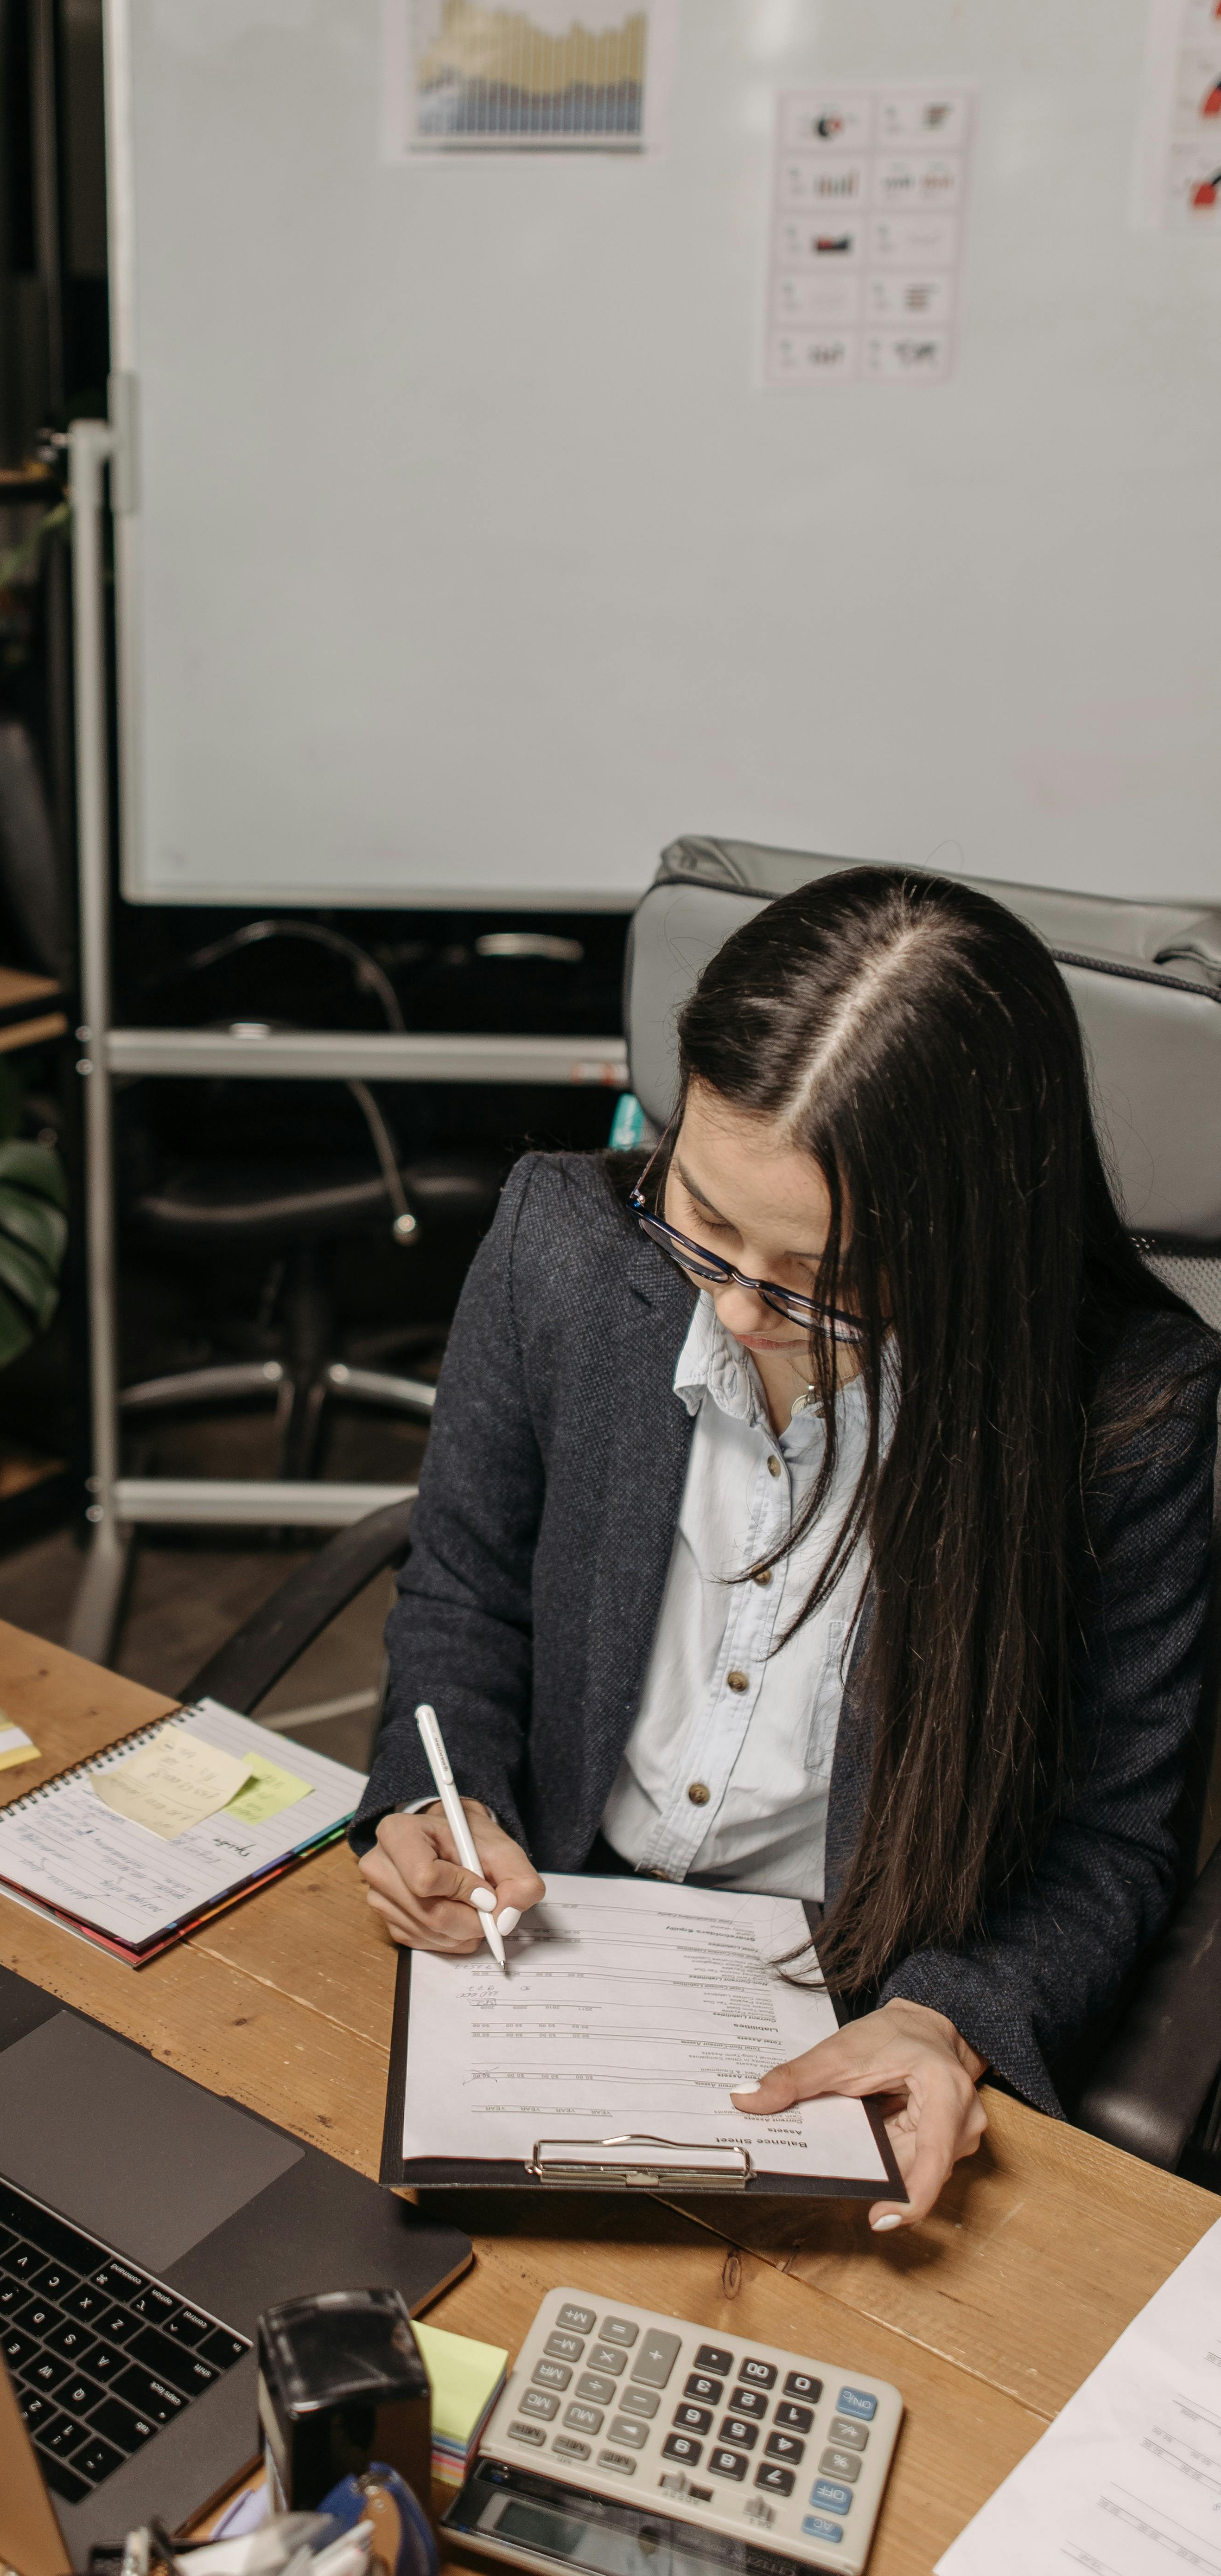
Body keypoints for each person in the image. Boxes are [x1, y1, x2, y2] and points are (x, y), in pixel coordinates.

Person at [353, 866, 1220, 2231]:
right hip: (549, 1946)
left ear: (967, 1252)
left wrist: (950, 2017)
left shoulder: (1127, 1413)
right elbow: (465, 1588)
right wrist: (428, 1800)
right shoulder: (567, 1247)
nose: (742, 1312)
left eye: (822, 1280)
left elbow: (1116, 1835)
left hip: (857, 2000)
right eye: (703, 1221)